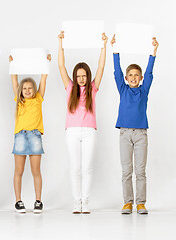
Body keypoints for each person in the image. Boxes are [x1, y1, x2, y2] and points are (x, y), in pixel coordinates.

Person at [58, 31, 107, 214]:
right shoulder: (70, 88)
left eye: (84, 75)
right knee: (75, 168)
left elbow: (101, 67)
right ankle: (76, 201)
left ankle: (85, 201)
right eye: (78, 76)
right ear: (75, 77)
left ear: (87, 76)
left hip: (89, 131)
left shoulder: (93, 88)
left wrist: (104, 46)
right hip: (71, 131)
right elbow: (61, 66)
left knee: (87, 168)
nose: (81, 79)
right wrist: (61, 43)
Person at [111, 34, 158, 214]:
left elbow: (149, 73)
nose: (133, 77)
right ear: (126, 77)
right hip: (124, 133)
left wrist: (153, 52)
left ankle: (140, 203)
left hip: (140, 134)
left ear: (139, 78)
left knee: (140, 171)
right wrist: (115, 50)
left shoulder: (144, 91)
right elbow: (116, 71)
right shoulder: (122, 89)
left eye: (136, 75)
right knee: (126, 170)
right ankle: (127, 202)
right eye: (130, 75)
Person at [9, 54, 51, 214]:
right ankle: (18, 201)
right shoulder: (19, 101)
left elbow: (44, 78)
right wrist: (12, 65)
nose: (27, 90)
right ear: (21, 91)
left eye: (30, 88)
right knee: (18, 171)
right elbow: (14, 79)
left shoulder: (38, 98)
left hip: (35, 137)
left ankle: (38, 201)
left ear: (34, 90)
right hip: (20, 136)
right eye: (24, 88)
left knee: (36, 171)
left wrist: (45, 62)